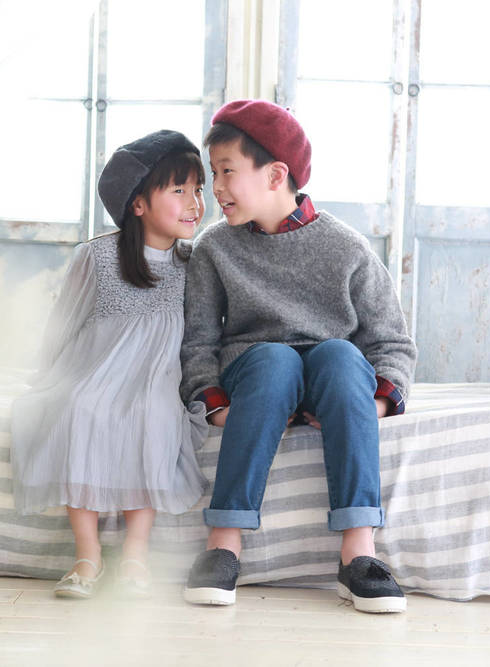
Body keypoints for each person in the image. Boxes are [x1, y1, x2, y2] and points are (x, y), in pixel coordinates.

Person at [180, 100, 417, 613]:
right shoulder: (214, 249)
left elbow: (392, 342)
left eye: (227, 172)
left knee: (339, 356)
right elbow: (198, 342)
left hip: (334, 376)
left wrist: (372, 403)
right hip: (257, 373)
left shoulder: (346, 247)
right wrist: (213, 403)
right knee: (275, 360)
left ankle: (359, 553)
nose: (215, 188)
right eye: (212, 174)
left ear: (275, 175)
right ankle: (224, 545)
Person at [11, 130, 209, 600]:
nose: (195, 203)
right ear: (137, 203)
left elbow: (204, 334)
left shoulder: (195, 263)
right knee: (78, 407)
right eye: (178, 189)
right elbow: (65, 322)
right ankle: (88, 555)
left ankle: (135, 554)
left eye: (198, 189)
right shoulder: (97, 256)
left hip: (156, 374)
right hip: (96, 365)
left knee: (153, 415)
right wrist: (49, 375)